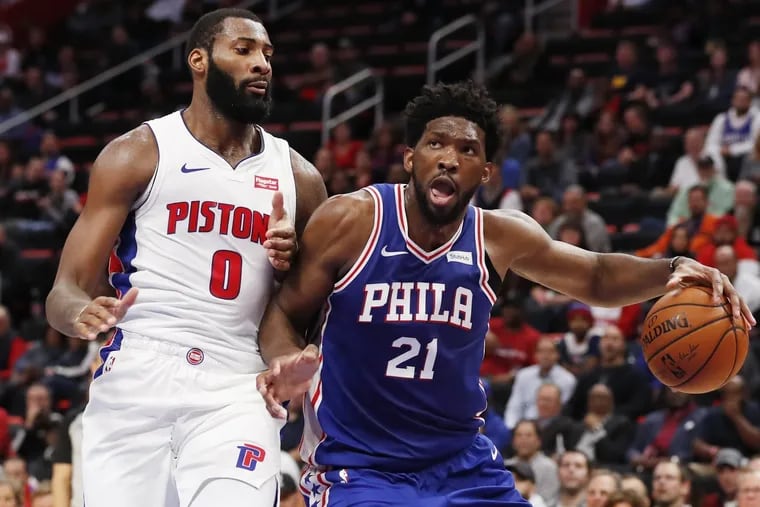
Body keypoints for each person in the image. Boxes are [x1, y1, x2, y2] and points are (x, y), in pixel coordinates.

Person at [256, 81, 755, 506]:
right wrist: (285, 362)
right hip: (362, 465)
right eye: (435, 144)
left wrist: (673, 268)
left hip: (460, 462)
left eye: (467, 150)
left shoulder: (498, 236)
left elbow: (596, 276)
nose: (449, 159)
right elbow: (283, 312)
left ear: (486, 172)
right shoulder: (352, 221)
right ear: (410, 158)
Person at [44, 8, 327, 507]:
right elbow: (64, 291)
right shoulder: (139, 152)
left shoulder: (299, 178)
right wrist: (80, 313)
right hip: (140, 372)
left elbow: (314, 305)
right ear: (199, 60)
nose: (261, 63)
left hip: (238, 383)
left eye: (267, 53)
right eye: (243, 49)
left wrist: (292, 270)